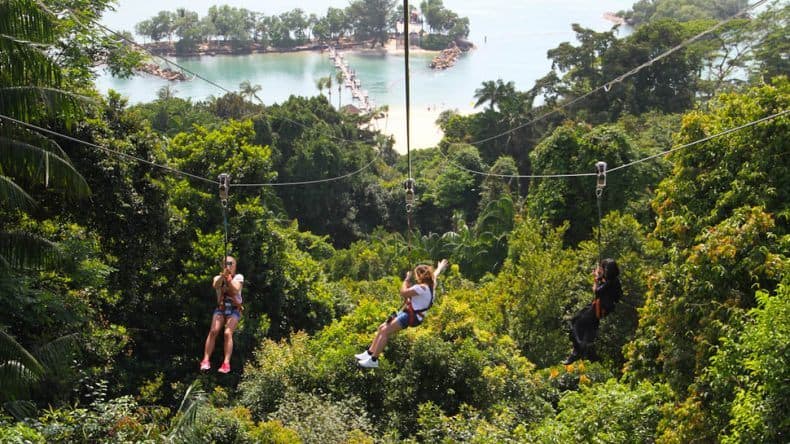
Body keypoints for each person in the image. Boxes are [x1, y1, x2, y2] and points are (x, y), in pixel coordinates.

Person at [356, 259, 449, 368]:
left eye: (416, 275)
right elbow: (435, 274)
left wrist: (406, 279)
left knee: (385, 331)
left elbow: (403, 293)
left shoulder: (421, 288)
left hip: (411, 316)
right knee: (381, 328)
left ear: (420, 276)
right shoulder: (431, 285)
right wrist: (440, 267)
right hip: (411, 313)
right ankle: (369, 352)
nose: (416, 277)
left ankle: (373, 360)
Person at [563, 258, 622, 365]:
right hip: (599, 307)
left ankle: (579, 349)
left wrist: (596, 280)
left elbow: (596, 291)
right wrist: (599, 277)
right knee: (588, 328)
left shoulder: (611, 282)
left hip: (599, 308)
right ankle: (581, 350)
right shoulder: (614, 280)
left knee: (576, 323)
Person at [200, 256, 244, 373]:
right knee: (213, 331)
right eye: (226, 264)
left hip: (234, 309)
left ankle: (226, 363)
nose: (228, 266)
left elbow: (235, 289)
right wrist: (223, 276)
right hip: (221, 308)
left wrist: (228, 279)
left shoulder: (238, 277)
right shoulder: (217, 278)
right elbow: (216, 285)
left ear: (235, 266)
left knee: (227, 333)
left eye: (231, 264)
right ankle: (205, 360)